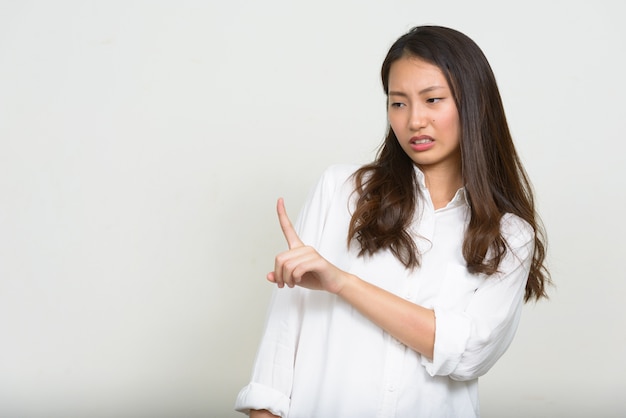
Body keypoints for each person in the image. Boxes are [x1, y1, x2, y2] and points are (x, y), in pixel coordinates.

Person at [235, 25, 550, 418]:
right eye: (398, 103)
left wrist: (343, 282)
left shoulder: (510, 234)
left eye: (432, 99)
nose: (415, 120)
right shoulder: (342, 191)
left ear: (474, 104)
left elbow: (469, 353)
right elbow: (278, 352)